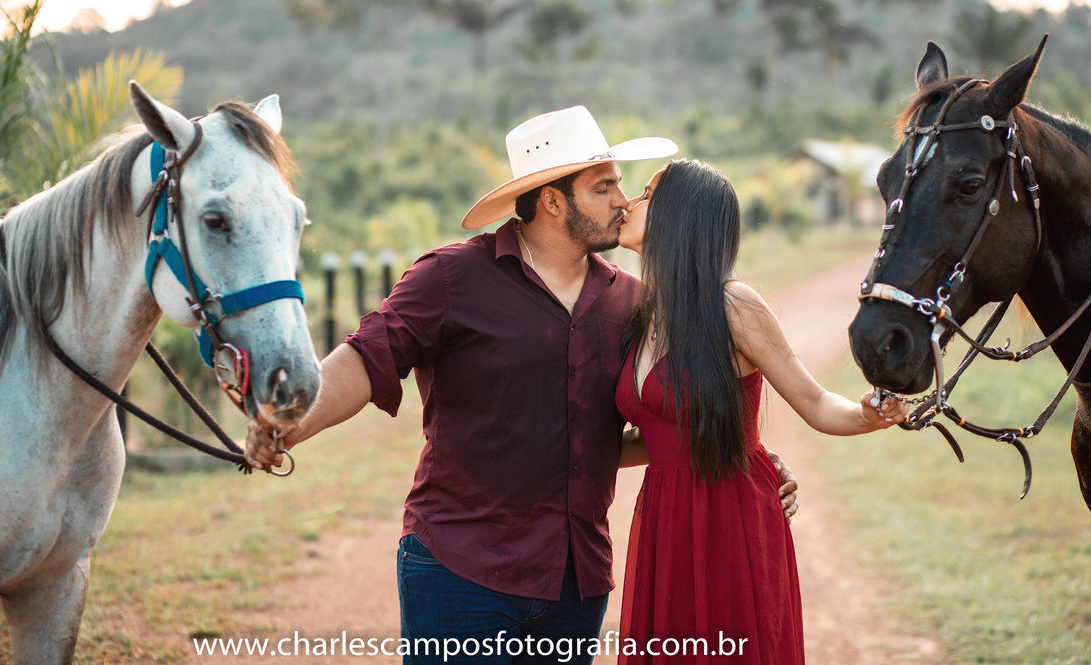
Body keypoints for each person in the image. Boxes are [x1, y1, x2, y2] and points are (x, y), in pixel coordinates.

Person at [243, 108, 797, 664]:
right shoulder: (451, 278)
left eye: (619, 184)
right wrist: (286, 423)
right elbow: (366, 359)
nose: (622, 200)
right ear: (553, 201)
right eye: (603, 187)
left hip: (576, 586)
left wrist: (743, 458)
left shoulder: (632, 303)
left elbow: (664, 417)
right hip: (461, 574)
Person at [613, 159, 905, 665]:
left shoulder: (733, 306)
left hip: (728, 518)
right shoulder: (641, 315)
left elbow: (814, 400)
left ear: (680, 215)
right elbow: (658, 437)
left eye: (647, 193)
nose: (629, 202)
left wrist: (868, 415)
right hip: (665, 521)